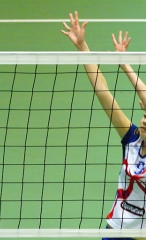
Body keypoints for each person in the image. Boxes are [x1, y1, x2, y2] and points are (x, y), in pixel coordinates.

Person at [61, 11, 146, 240]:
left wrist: (126, 66)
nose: (144, 119)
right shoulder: (133, 139)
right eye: (145, 114)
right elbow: (102, 91)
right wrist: (82, 47)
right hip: (116, 231)